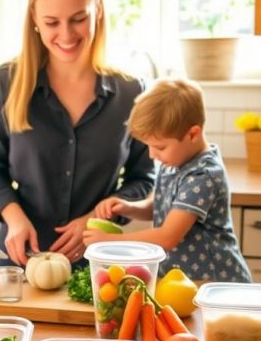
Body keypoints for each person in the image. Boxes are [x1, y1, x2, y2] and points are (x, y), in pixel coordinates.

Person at [0, 0, 155, 265]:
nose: (66, 34)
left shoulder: (131, 92)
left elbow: (144, 179)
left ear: (97, 9)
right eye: (52, 22)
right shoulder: (7, 82)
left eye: (77, 19)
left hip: (97, 262)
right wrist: (14, 217)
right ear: (33, 16)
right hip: (21, 259)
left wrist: (95, 218)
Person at [82, 78, 252, 282]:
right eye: (149, 147)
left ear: (193, 134)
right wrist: (129, 207)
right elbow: (162, 206)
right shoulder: (176, 161)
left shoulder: (203, 175)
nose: (153, 155)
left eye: (160, 147)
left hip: (213, 281)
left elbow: (168, 236)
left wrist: (111, 242)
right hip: (184, 280)